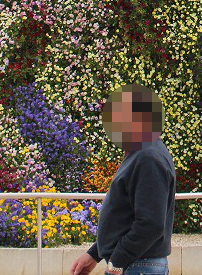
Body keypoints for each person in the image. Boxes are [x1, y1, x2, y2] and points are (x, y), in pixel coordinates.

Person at [70, 87, 176, 275]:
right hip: (136, 265)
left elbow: (150, 224)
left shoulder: (148, 157)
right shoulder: (141, 153)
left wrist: (117, 262)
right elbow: (125, 218)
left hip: (138, 266)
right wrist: (95, 254)